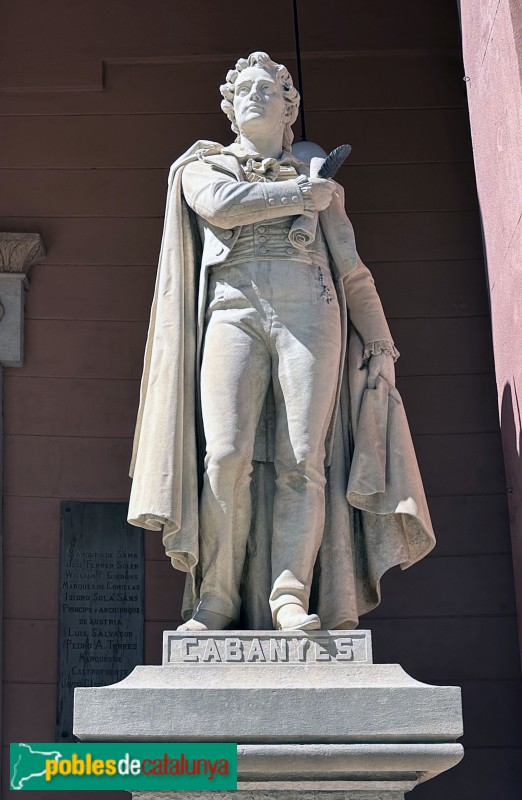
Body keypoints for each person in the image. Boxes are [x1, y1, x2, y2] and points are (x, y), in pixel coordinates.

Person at [128, 52, 435, 632]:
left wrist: (382, 346)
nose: (252, 95)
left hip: (309, 306)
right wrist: (299, 197)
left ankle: (289, 594)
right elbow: (218, 206)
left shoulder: (322, 187)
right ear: (228, 105)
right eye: (242, 88)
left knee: (303, 459)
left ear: (288, 106)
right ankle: (215, 597)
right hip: (232, 304)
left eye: (266, 87)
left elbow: (353, 273)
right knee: (223, 455)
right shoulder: (203, 165)